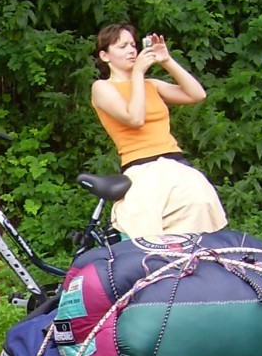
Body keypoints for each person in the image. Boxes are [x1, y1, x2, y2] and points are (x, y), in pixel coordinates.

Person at [90, 22, 227, 237]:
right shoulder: (102, 87)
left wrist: (166, 60)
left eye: (133, 45)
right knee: (149, 234)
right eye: (122, 46)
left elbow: (197, 95)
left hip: (174, 163)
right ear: (105, 56)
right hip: (141, 167)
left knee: (199, 219)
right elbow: (135, 118)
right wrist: (137, 74)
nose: (131, 51)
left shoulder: (151, 84)